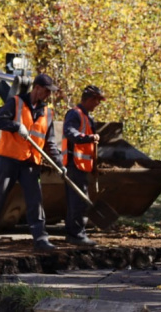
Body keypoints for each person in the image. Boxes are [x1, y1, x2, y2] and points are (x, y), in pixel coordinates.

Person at [0, 74, 61, 252]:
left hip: (31, 163)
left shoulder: (47, 113)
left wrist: (60, 164)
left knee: (35, 200)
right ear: (37, 88)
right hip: (9, 159)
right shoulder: (15, 103)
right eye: (46, 90)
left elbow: (50, 143)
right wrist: (16, 126)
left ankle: (41, 239)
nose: (48, 94)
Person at [61, 85, 105, 246]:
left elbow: (89, 147)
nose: (98, 104)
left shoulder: (87, 117)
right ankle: (76, 235)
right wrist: (88, 138)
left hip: (82, 166)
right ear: (90, 99)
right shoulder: (75, 114)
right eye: (97, 100)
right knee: (78, 201)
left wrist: (93, 167)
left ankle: (74, 233)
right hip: (74, 165)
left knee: (78, 200)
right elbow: (70, 132)